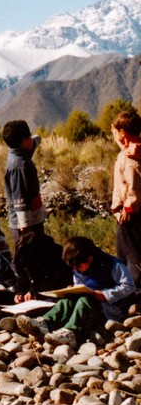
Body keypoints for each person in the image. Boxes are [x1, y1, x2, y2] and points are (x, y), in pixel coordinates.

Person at [17, 236, 135, 346]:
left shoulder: (113, 265)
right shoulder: (79, 266)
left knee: (84, 301)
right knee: (67, 300)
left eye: (78, 266)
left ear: (90, 258)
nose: (76, 270)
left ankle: (71, 333)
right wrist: (74, 289)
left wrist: (105, 294)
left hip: (111, 307)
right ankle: (45, 323)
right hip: (91, 302)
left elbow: (129, 286)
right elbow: (79, 283)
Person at [110, 110, 141, 287]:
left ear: (123, 132)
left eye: (115, 131)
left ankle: (133, 294)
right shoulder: (130, 152)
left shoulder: (131, 158)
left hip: (130, 215)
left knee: (131, 257)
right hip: (127, 213)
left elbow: (134, 187)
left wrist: (128, 208)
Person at [2, 120, 45, 244]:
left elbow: (35, 141)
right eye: (29, 135)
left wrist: (36, 139)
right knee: (29, 260)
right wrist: (25, 228)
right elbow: (19, 198)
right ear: (24, 142)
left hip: (33, 220)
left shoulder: (19, 151)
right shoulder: (19, 165)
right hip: (26, 226)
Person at [13, 228, 72, 302]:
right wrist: (20, 291)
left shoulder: (58, 256)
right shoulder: (25, 253)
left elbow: (57, 281)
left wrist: (34, 291)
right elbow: (23, 274)